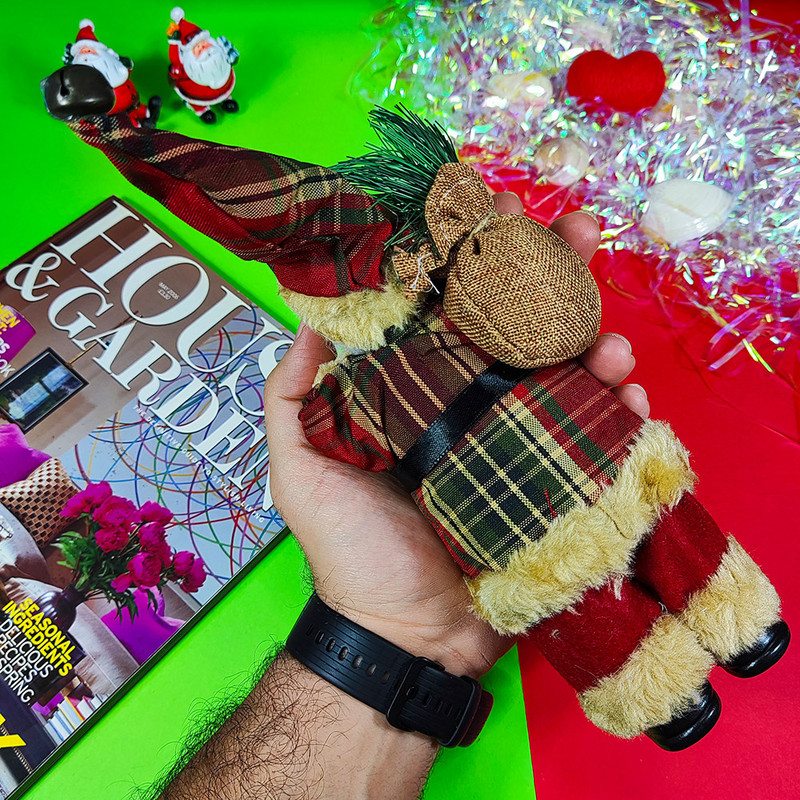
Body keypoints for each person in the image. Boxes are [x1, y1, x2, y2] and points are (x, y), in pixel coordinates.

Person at [156, 203, 649, 799]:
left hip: (531, 461)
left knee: (637, 513)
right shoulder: (365, 379)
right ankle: (659, 686)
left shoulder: (457, 312)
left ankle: (713, 631)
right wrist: (402, 633)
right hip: (484, 518)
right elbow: (337, 426)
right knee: (572, 579)